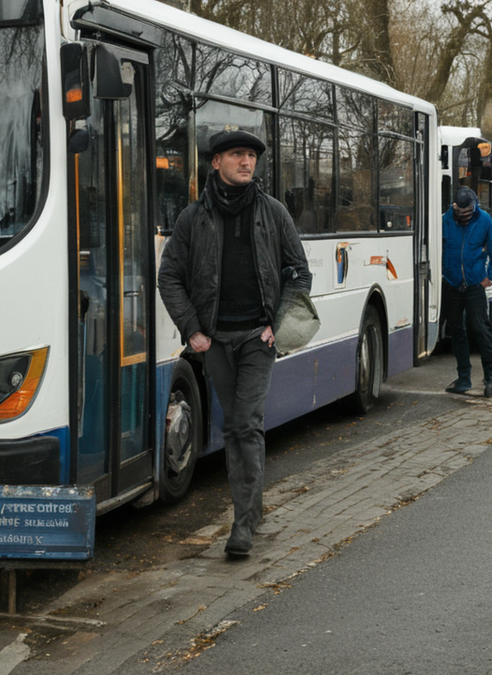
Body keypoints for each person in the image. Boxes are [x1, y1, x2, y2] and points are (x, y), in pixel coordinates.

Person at [157, 129, 311, 557]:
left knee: (244, 422)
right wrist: (192, 330)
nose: (247, 163)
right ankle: (253, 509)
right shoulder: (193, 219)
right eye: (238, 155)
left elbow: (299, 272)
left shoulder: (273, 213)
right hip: (216, 342)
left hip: (258, 339)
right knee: (236, 426)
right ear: (216, 163)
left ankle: (242, 526)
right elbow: (168, 276)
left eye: (251, 156)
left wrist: (277, 325)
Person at [442, 186, 492, 398]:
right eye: (461, 214)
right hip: (452, 283)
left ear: (474, 206)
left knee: (480, 329)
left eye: (469, 213)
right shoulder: (445, 220)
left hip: (475, 284)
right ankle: (464, 378)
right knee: (457, 331)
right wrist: (443, 272)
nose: (465, 217)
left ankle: (490, 378)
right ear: (455, 208)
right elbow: (437, 249)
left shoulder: (484, 220)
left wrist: (489, 277)